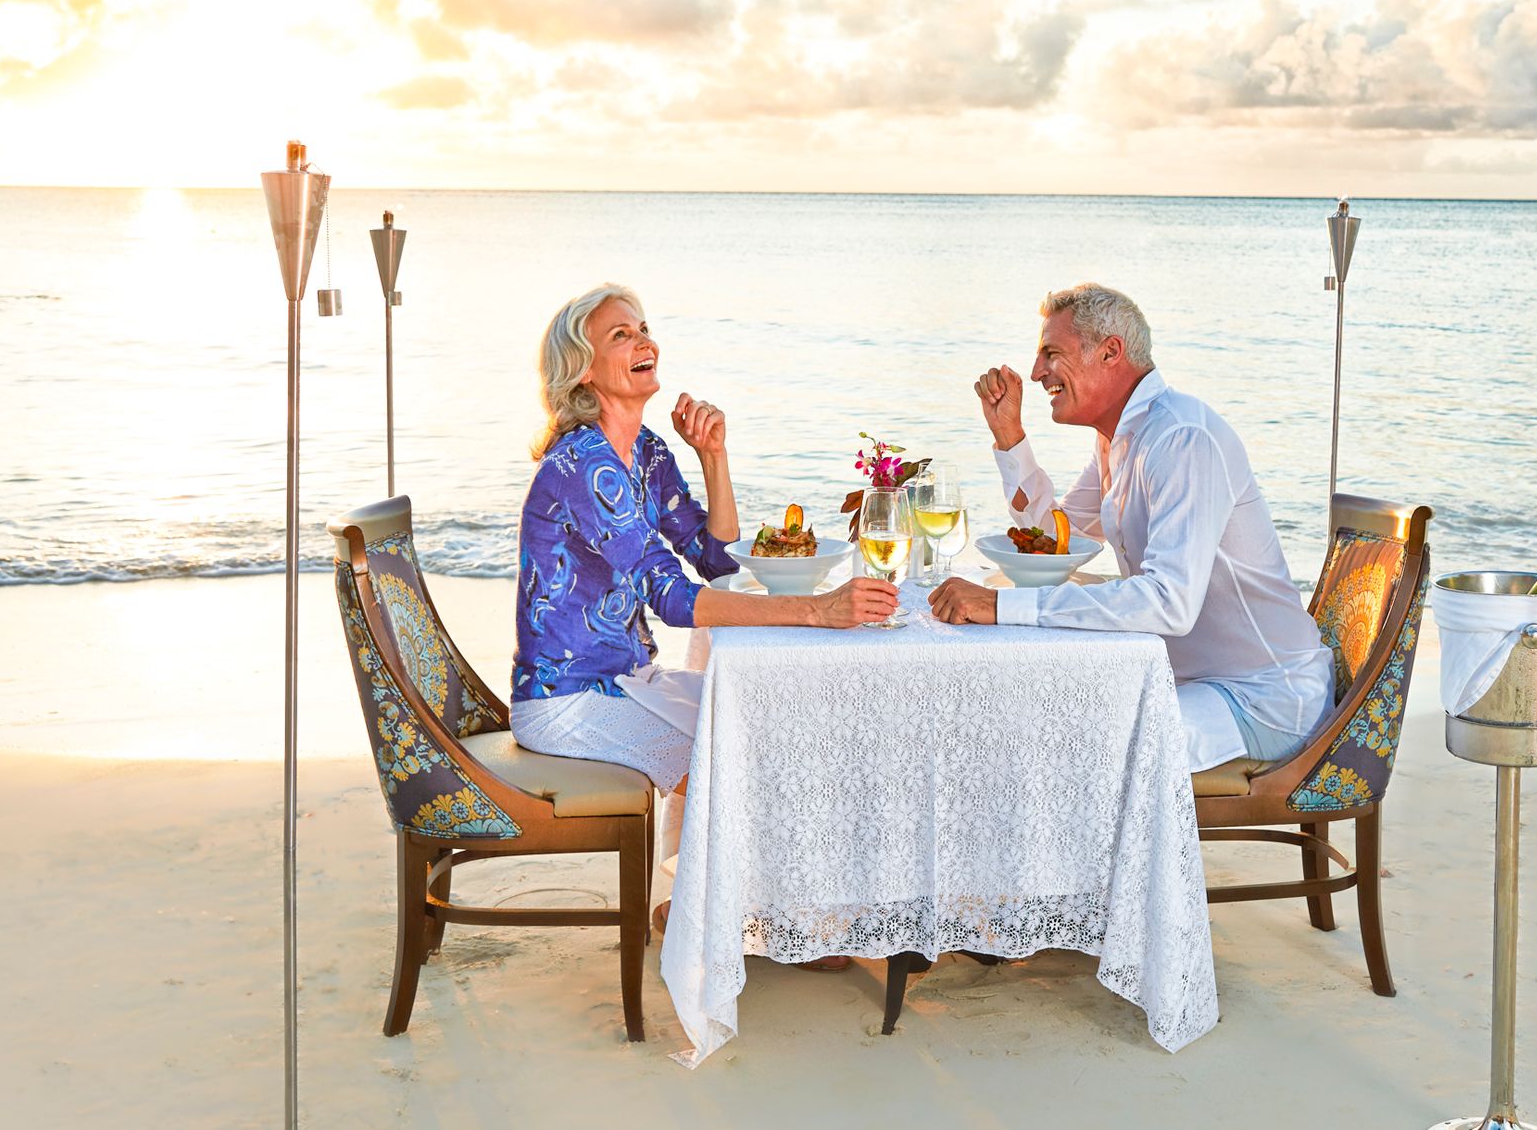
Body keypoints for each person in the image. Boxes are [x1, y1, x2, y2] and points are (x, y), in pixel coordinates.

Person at [512, 285, 897, 960]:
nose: (643, 342)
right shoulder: (582, 463)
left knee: (768, 719)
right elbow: (671, 598)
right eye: (620, 336)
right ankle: (754, 922)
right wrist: (815, 612)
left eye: (643, 329)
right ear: (582, 370)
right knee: (738, 746)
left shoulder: (646, 451)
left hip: (626, 679)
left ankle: (699, 904)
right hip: (568, 700)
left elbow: (714, 559)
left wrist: (712, 455)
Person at [928, 282, 1335, 773]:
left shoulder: (1182, 438)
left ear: (1110, 352)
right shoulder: (1119, 439)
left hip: (1262, 699)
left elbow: (1169, 602)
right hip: (1184, 682)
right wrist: (1009, 437)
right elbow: (1051, 541)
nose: (1036, 373)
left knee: (1076, 754)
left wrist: (999, 605)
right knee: (1030, 719)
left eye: (1050, 354)